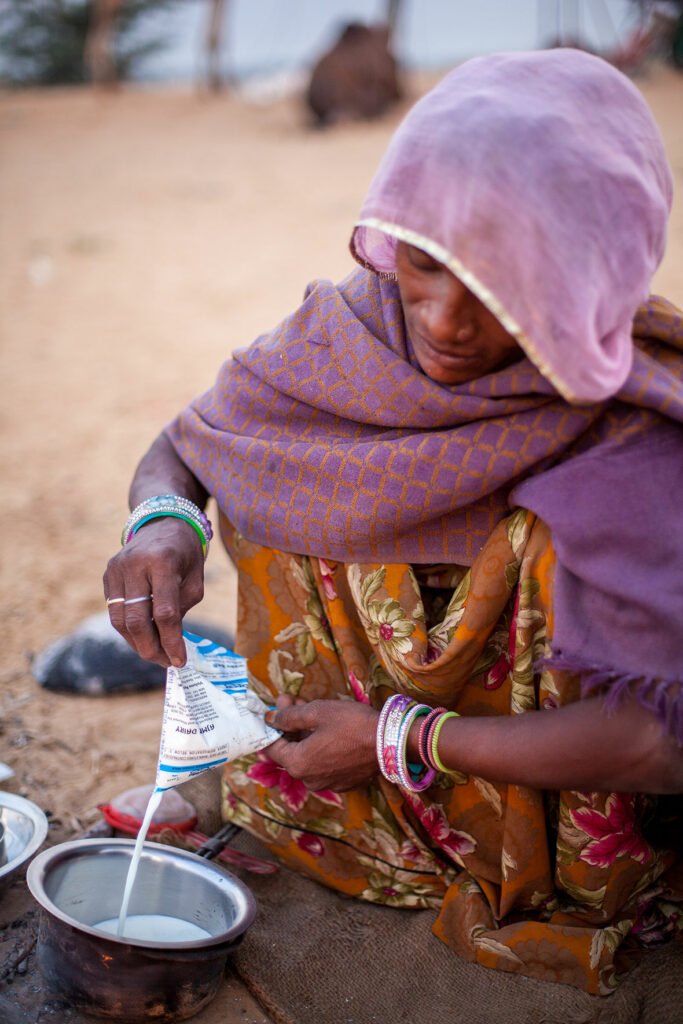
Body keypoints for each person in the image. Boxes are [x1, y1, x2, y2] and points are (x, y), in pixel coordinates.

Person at [104, 49, 683, 994]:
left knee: (532, 542)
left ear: (587, 269)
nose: (445, 319)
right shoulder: (352, 339)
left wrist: (395, 739)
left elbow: (659, 745)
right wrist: (164, 522)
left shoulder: (632, 435)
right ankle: (344, 824)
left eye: (498, 285)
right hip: (332, 787)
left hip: (530, 838)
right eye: (423, 262)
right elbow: (193, 439)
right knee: (279, 467)